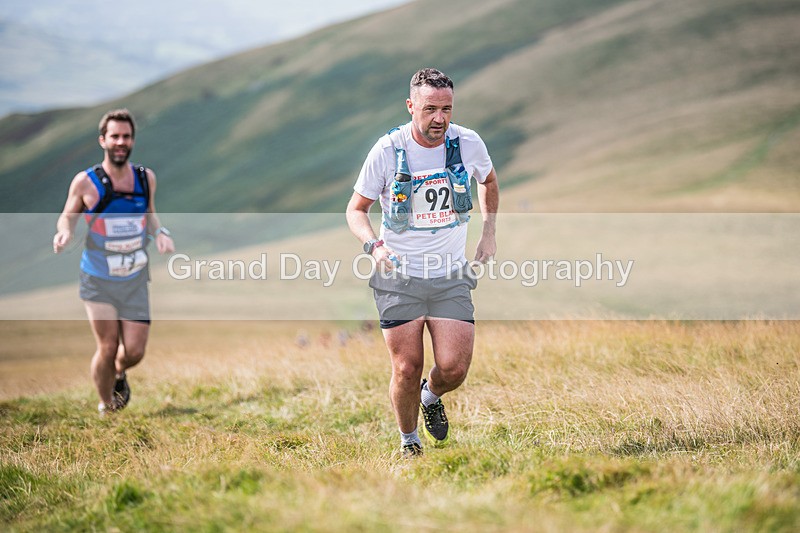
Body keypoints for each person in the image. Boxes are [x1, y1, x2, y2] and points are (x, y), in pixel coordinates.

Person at [346, 68, 499, 456]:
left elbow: (489, 181)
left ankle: (430, 397)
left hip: (450, 274)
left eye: (446, 109)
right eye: (430, 109)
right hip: (398, 276)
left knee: (454, 369)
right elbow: (356, 209)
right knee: (406, 368)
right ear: (411, 106)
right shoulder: (387, 150)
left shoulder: (467, 142)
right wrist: (374, 247)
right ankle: (409, 442)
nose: (439, 119)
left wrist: (488, 232)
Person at [53, 109, 174, 414]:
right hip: (98, 278)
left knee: (133, 351)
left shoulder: (145, 178)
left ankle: (119, 373)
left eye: (126, 136)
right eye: (115, 136)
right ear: (103, 140)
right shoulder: (86, 182)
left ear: (132, 140)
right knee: (107, 347)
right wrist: (64, 232)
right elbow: (67, 216)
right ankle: (107, 406)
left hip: (135, 277)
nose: (121, 142)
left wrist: (160, 233)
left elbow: (149, 214)